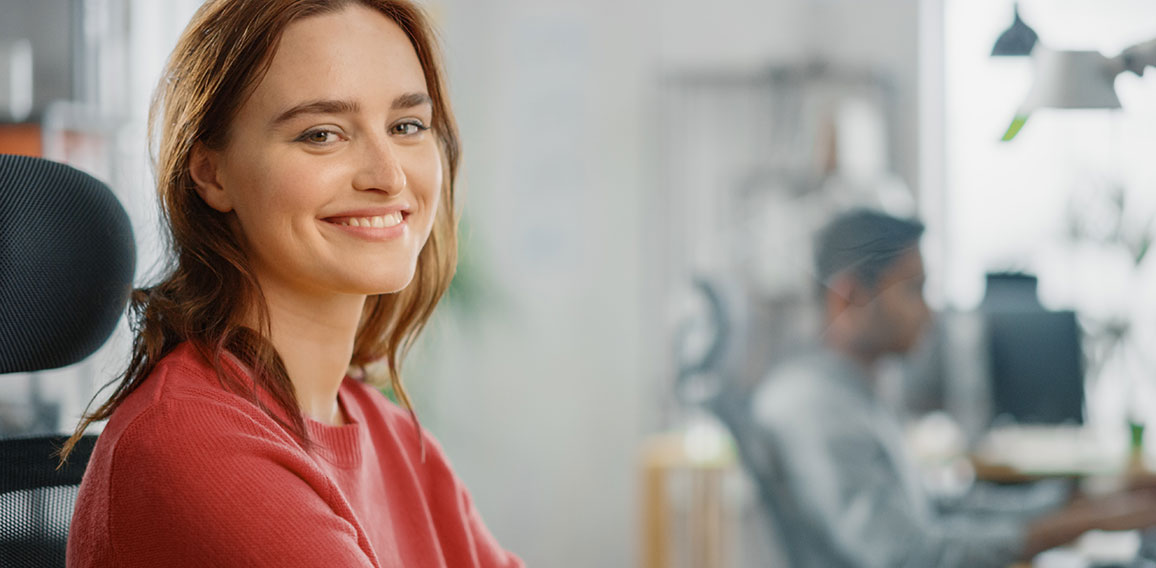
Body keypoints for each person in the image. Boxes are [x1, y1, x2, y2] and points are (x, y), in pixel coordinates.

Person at [61, 1, 522, 566]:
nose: (389, 175)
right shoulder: (191, 445)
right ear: (211, 171)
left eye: (407, 126)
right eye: (321, 134)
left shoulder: (395, 438)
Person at [732, 208, 1156, 567]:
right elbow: (911, 556)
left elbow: (933, 509)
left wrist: (1083, 500)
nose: (929, 313)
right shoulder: (816, 408)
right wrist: (1085, 522)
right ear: (848, 298)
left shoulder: (847, 393)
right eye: (914, 289)